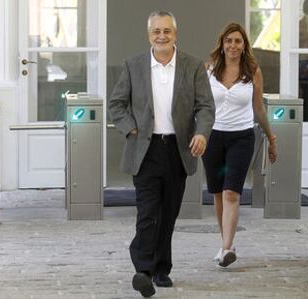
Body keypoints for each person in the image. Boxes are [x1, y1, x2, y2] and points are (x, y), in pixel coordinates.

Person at [108, 11, 215, 297]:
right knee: (147, 212)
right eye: (156, 31)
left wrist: (202, 133)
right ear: (149, 35)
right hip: (146, 148)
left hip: (178, 150)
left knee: (168, 213)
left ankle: (161, 268)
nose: (162, 36)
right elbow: (116, 104)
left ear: (175, 34)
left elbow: (206, 106)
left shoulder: (192, 66)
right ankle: (142, 270)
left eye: (167, 31)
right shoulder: (134, 66)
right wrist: (130, 128)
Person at [202, 22, 277, 268]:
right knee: (217, 194)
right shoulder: (209, 69)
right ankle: (227, 243)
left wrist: (271, 138)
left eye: (238, 41)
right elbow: (201, 106)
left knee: (231, 192)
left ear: (244, 45)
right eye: (229, 41)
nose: (233, 45)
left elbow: (259, 108)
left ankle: (226, 249)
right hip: (213, 138)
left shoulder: (252, 70)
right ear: (222, 44)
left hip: (241, 138)